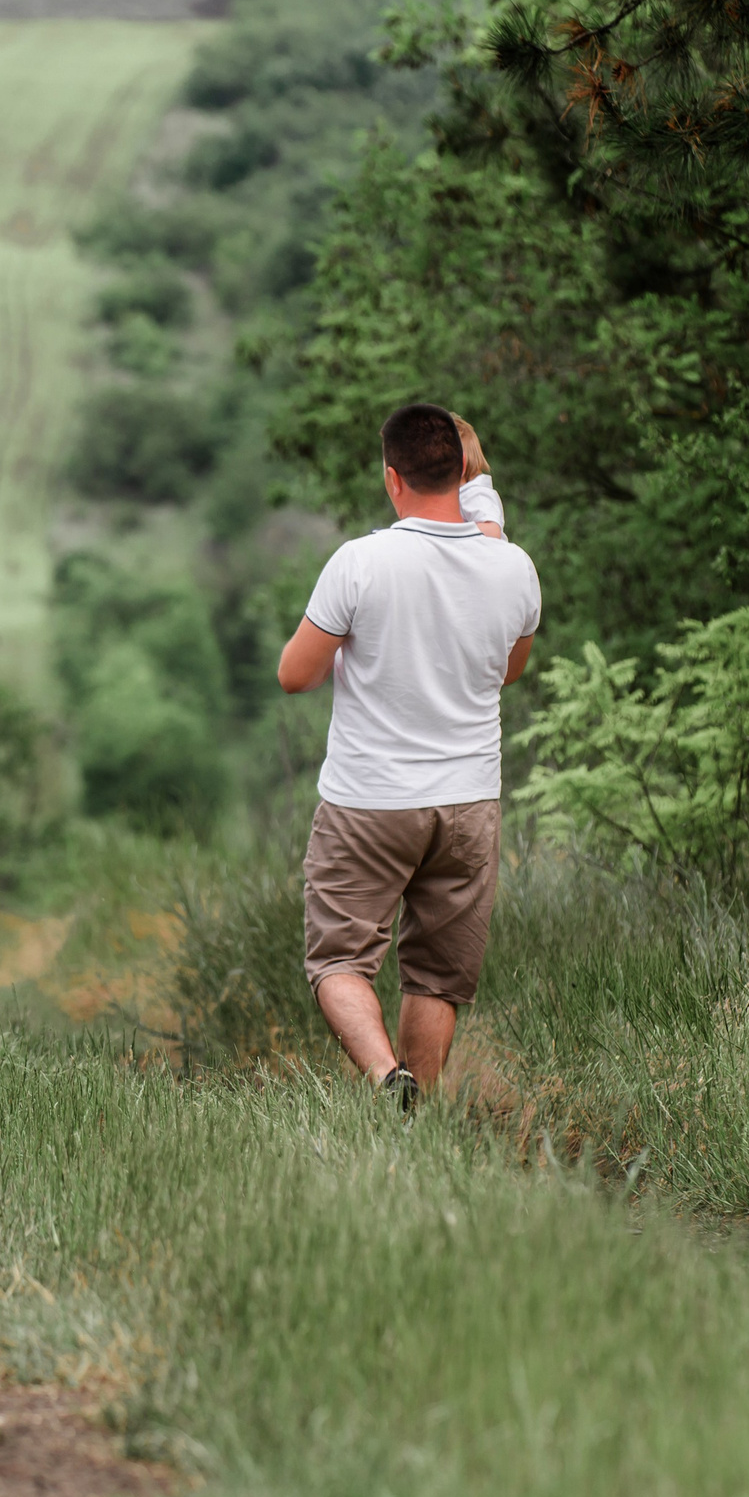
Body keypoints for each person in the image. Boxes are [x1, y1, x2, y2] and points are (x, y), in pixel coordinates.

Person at [276, 403, 542, 1109]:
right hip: (467, 804)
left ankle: (385, 1077)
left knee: (338, 959)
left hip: (370, 800)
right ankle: (415, 1116)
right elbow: (508, 669)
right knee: (435, 974)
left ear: (393, 479)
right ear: (463, 473)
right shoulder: (513, 568)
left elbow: (294, 674)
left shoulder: (360, 562)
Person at [452, 413, 506, 540]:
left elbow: (492, 531)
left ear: (461, 465)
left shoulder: (477, 494)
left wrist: (453, 532)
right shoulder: (464, 493)